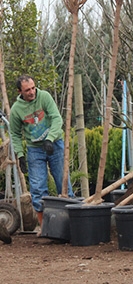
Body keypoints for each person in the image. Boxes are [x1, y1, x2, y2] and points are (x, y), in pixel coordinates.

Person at [8, 75, 74, 230]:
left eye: (32, 88)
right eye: (27, 90)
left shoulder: (44, 97)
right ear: (20, 91)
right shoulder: (16, 110)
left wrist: (50, 139)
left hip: (55, 143)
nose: (31, 92)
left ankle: (70, 224)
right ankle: (45, 227)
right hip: (34, 149)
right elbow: (16, 135)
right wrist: (20, 155)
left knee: (63, 182)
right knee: (37, 187)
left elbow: (57, 118)